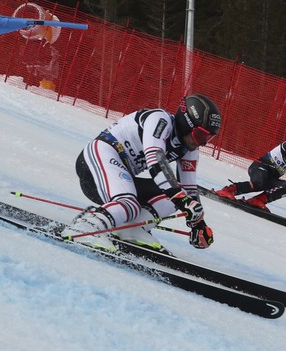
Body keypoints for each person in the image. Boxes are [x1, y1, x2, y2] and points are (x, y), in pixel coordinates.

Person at [61, 94, 222, 253]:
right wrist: (183, 201)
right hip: (98, 158)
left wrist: (198, 224)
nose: (202, 142)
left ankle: (133, 229)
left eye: (209, 138)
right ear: (186, 123)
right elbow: (156, 162)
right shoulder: (160, 120)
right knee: (129, 204)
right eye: (201, 135)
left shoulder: (189, 149)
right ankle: (84, 228)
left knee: (179, 194)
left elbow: (189, 190)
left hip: (119, 175)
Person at [214, 132, 286, 210]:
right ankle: (229, 190)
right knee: (261, 180)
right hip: (260, 167)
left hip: (271, 177)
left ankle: (258, 200)